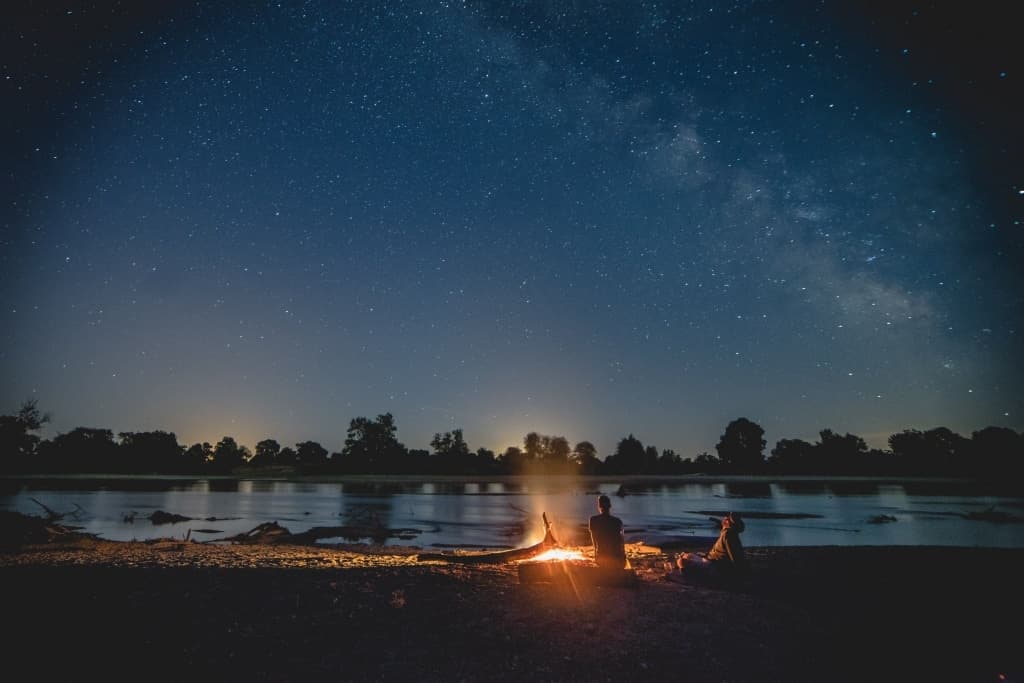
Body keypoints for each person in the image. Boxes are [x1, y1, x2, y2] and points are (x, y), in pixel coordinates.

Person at [675, 511, 749, 581]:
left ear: (728, 523)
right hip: (711, 561)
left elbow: (735, 557)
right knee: (687, 555)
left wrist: (740, 574)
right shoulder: (726, 532)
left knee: (681, 561)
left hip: (714, 566)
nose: (724, 518)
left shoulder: (729, 535)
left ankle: (687, 575)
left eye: (727, 518)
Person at [589, 494, 627, 570]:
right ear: (610, 506)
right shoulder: (618, 521)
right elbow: (622, 542)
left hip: (602, 558)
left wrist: (595, 554)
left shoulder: (593, 520)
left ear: (599, 506)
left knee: (601, 560)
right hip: (618, 559)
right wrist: (623, 557)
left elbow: (594, 541)